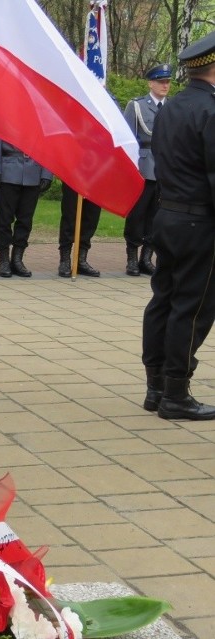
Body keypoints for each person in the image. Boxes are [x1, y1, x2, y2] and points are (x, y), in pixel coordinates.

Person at [141, 32, 215, 420]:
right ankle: (176, 393)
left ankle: (155, 387)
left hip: (167, 214)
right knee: (193, 305)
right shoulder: (211, 110)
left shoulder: (172, 105)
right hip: (199, 222)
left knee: (163, 299)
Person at [122, 64, 172, 276]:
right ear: (150, 83)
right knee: (137, 214)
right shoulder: (137, 106)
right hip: (143, 167)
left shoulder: (173, 106)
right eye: (161, 82)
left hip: (165, 168)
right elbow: (128, 138)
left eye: (167, 82)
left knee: (157, 215)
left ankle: (146, 257)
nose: (165, 85)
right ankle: (132, 258)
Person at [0, 135, 52, 277]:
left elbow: (48, 141)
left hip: (33, 172)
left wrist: (47, 173)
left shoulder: (41, 115)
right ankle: (3, 260)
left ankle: (17, 259)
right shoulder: (4, 114)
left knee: (25, 220)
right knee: (4, 219)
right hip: (8, 172)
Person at [58, 183, 101, 277]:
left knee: (91, 217)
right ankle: (65, 260)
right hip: (73, 176)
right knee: (69, 217)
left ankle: (81, 260)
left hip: (96, 178)